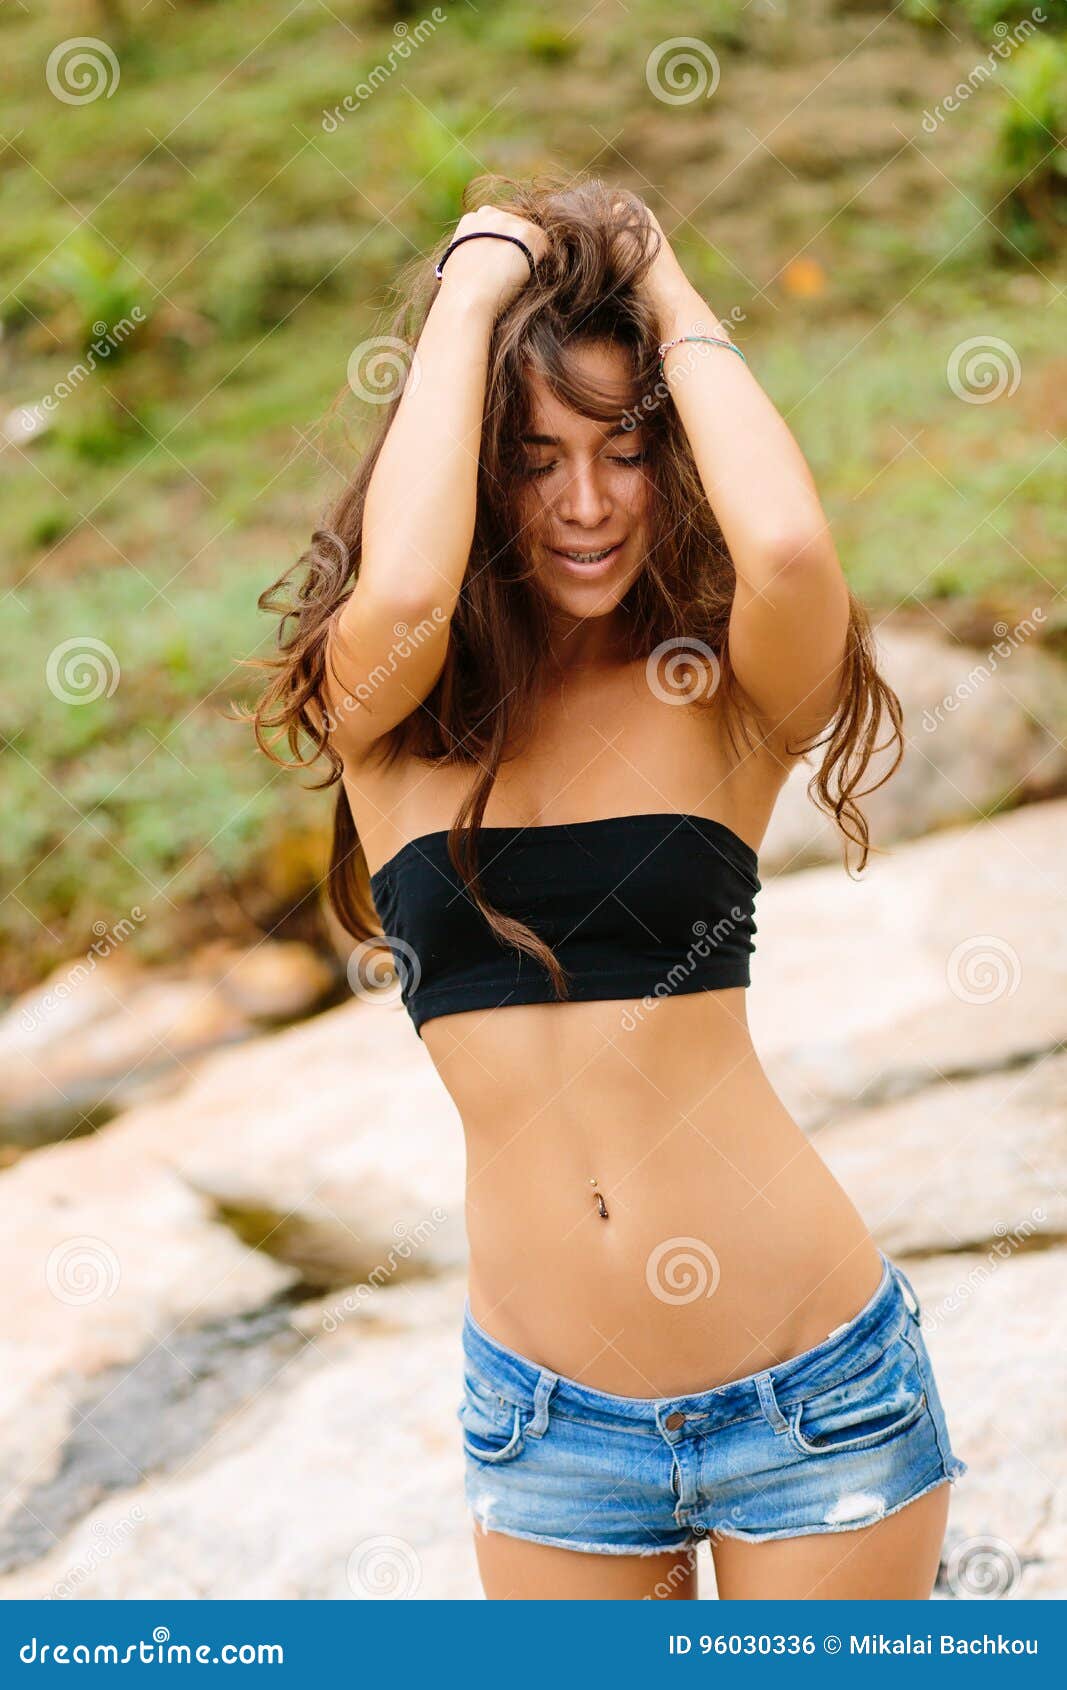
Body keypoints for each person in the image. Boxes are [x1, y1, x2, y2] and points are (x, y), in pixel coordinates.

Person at [251, 174, 965, 1600]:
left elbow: (787, 548)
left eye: (624, 448)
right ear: (470, 473)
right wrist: (473, 280)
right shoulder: (388, 721)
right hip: (549, 1429)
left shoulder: (720, 697)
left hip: (812, 1397)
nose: (586, 502)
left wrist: (667, 279)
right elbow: (398, 594)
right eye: (533, 456)